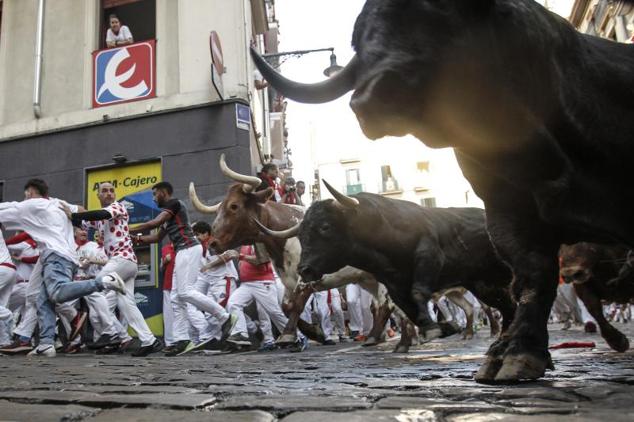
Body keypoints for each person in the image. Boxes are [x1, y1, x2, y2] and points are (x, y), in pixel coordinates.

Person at [0, 179, 125, 357]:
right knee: (43, 299)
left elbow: (7, 209)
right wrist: (73, 217)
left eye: (26, 194)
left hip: (55, 255)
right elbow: (81, 209)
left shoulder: (30, 205)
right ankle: (46, 343)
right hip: (66, 255)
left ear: (30, 192)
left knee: (57, 292)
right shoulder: (59, 203)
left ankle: (103, 282)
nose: (25, 197)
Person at [68, 182, 163, 356]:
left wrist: (74, 213)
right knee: (126, 304)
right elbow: (80, 222)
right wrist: (66, 213)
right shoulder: (97, 221)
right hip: (126, 263)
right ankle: (150, 340)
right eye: (104, 191)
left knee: (93, 288)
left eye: (112, 191)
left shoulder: (117, 207)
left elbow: (100, 213)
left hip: (122, 260)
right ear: (98, 195)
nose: (109, 193)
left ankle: (111, 333)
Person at [130, 182, 212, 356]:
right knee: (176, 298)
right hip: (183, 250)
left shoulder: (173, 205)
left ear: (163, 192)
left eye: (155, 194)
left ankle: (223, 317)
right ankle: (182, 340)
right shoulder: (168, 216)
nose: (153, 198)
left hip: (189, 248)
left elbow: (154, 223)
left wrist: (128, 229)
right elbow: (156, 238)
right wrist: (134, 239)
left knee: (184, 293)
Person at [226, 243, 308, 352]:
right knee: (233, 303)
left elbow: (262, 260)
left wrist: (240, 256)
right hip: (246, 284)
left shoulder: (259, 243)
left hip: (262, 283)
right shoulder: (244, 245)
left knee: (274, 312)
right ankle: (240, 333)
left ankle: (299, 336)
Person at [160, 241, 176, 348]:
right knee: (169, 315)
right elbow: (161, 268)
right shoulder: (166, 248)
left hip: (183, 287)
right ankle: (170, 342)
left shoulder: (187, 248)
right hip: (168, 286)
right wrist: (165, 262)